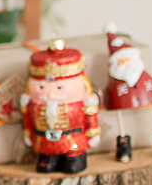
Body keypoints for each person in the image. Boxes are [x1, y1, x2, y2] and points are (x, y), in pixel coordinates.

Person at [20, 42, 100, 174]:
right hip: (45, 141)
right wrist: (27, 133)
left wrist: (93, 133)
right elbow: (27, 118)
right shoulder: (31, 104)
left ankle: (74, 158)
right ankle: (49, 159)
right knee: (45, 161)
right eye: (41, 88)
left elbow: (90, 118)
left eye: (59, 88)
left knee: (72, 163)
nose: (51, 94)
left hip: (72, 139)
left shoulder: (83, 103)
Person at [104, 27, 152, 162]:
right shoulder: (116, 80)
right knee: (120, 118)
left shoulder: (142, 74)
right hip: (122, 101)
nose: (126, 65)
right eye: (121, 61)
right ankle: (123, 145)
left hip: (147, 96)